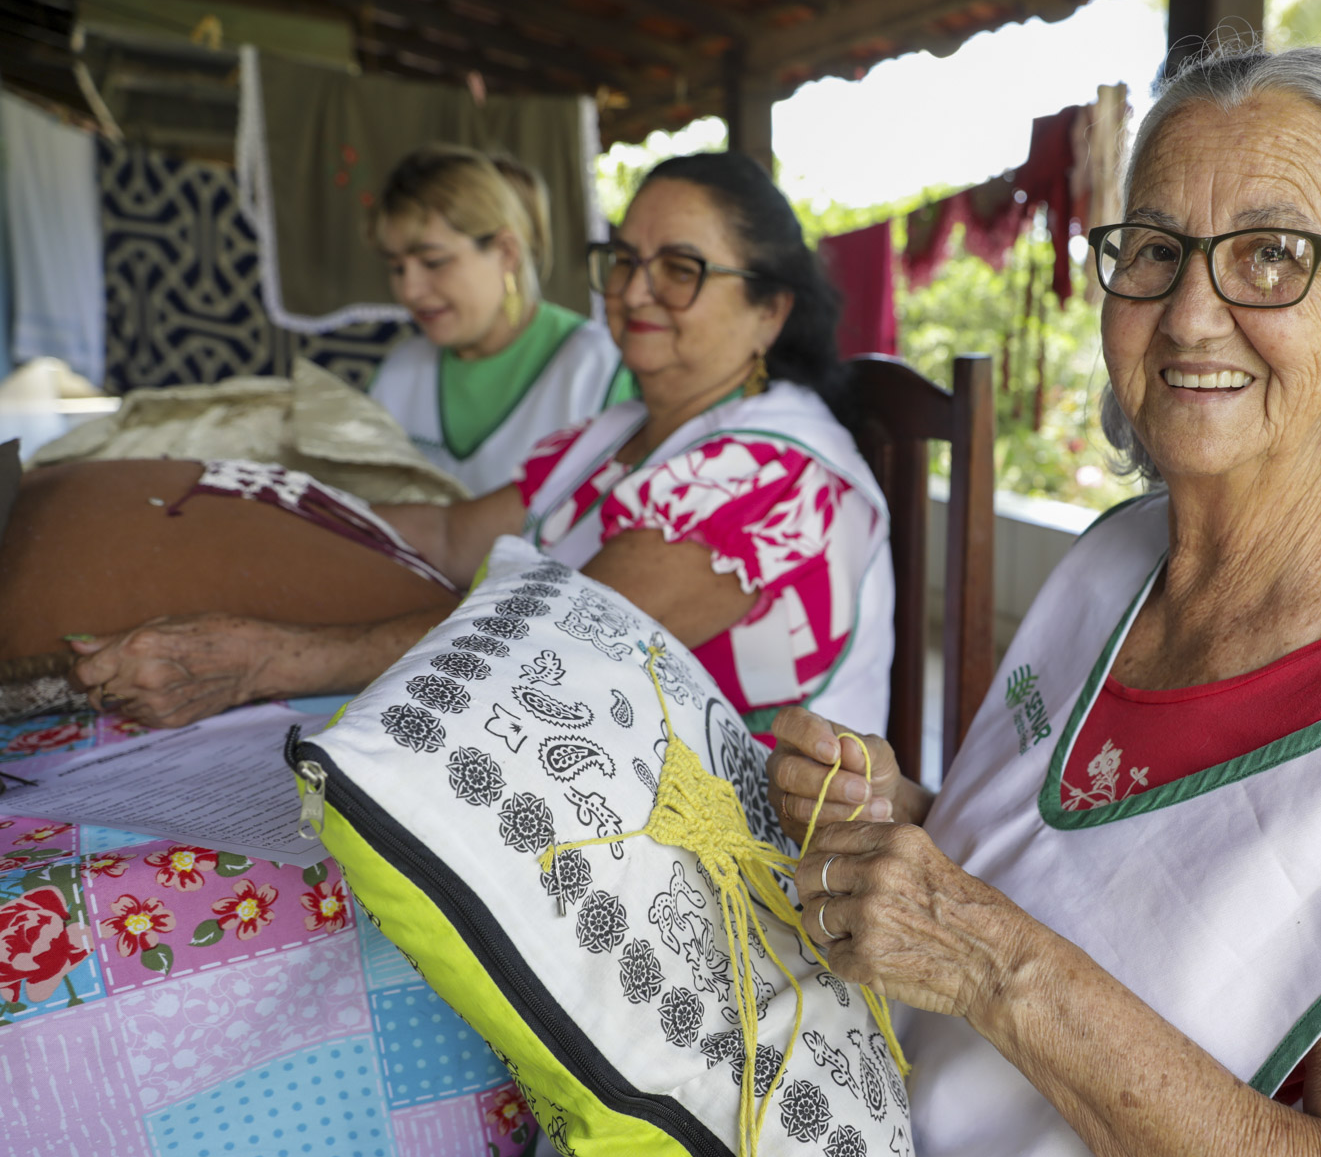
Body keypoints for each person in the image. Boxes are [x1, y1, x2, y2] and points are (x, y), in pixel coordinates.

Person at [395, 46, 1321, 1157]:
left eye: (1274, 256)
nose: (1191, 313)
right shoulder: (1120, 562)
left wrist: (989, 956)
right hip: (865, 1133)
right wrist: (900, 820)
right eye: (1152, 250)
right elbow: (1082, 864)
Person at [69, 152, 893, 740]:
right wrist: (247, 510)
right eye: (623, 260)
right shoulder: (614, 438)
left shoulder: (777, 479)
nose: (636, 291)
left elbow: (555, 637)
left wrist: (267, 658)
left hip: (745, 879)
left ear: (770, 309)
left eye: (681, 268)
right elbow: (451, 535)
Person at [367, 146, 635, 493]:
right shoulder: (400, 373)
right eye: (396, 268)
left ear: (506, 252)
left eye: (434, 262)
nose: (410, 290)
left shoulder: (596, 371)